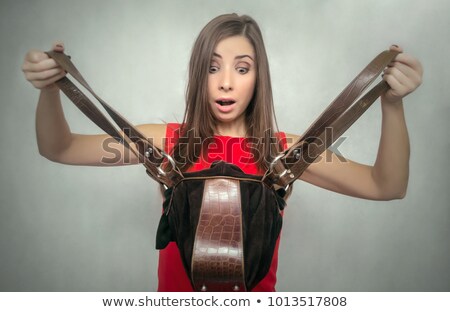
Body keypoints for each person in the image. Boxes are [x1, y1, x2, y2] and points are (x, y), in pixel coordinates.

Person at [21, 14, 423, 291]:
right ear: (200, 75)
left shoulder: (286, 152)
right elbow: (61, 147)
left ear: (258, 78)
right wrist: (51, 91)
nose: (227, 82)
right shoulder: (167, 142)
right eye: (213, 68)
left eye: (242, 68)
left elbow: (386, 185)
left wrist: (392, 104)